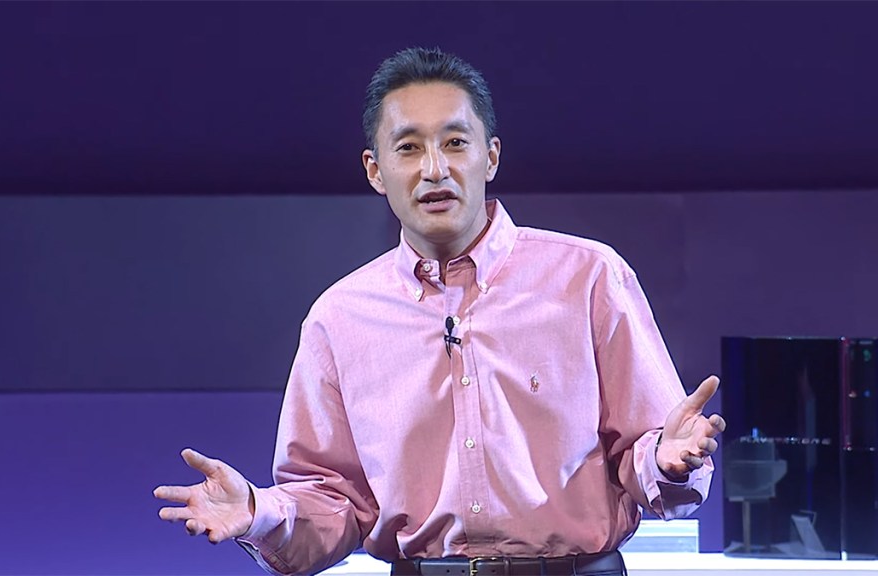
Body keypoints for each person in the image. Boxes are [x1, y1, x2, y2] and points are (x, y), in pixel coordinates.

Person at [154, 47, 725, 576]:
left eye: (455, 143)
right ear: (375, 170)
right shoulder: (340, 317)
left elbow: (651, 455)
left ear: (490, 157)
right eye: (408, 147)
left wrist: (668, 460)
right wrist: (259, 514)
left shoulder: (589, 277)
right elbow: (331, 502)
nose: (434, 168)